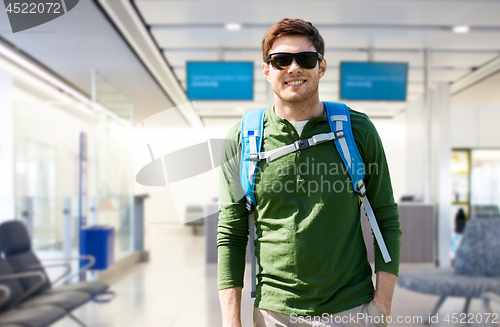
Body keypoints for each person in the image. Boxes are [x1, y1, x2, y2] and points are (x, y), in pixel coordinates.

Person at [217, 18, 401, 327]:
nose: (293, 68)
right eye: (280, 60)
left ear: (322, 67)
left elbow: (385, 217)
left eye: (306, 59)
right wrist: (231, 321)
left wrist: (382, 305)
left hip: (351, 308)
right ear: (266, 70)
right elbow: (231, 234)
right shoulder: (241, 139)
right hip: (274, 312)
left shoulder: (357, 130)